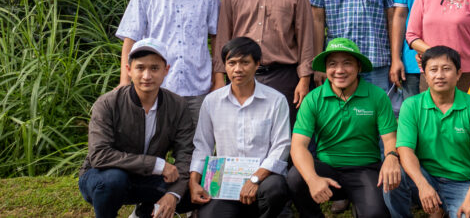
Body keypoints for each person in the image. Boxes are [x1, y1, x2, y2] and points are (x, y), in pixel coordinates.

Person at [79, 38, 195, 218]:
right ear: (129, 70)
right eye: (140, 68)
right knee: (113, 180)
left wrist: (173, 195)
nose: (147, 76)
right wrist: (157, 165)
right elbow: (99, 155)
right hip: (102, 176)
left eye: (154, 68)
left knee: (191, 193)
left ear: (166, 70)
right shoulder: (108, 103)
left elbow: (185, 155)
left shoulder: (178, 106)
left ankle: (144, 211)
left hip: (145, 178)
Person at [287, 38, 401, 218]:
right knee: (296, 177)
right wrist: (312, 179)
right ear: (325, 68)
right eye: (332, 64)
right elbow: (298, 146)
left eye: (347, 63)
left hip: (365, 169)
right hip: (326, 169)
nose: (339, 70)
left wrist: (392, 157)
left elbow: (390, 139)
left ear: (359, 67)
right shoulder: (313, 99)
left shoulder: (377, 96)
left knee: (375, 214)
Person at [116, 0, 219, 126]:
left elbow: (217, 38)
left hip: (198, 89)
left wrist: (218, 80)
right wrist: (124, 81)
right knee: (155, 146)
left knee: (197, 147)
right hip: (157, 89)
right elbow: (130, 40)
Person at [216, 0, 314, 124]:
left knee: (282, 139)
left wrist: (304, 80)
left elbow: (306, 39)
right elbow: (223, 35)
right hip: (240, 75)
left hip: (283, 78)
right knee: (241, 134)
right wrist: (219, 78)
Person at [189, 37, 291, 218]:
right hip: (224, 183)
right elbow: (202, 145)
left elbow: (281, 146)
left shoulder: (276, 100)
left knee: (275, 189)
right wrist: (194, 181)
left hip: (263, 180)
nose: (238, 69)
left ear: (257, 64)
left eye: (245, 62)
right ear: (225, 66)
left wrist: (255, 179)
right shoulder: (212, 102)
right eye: (232, 63)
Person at [385, 46, 470, 218]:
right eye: (433, 70)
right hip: (424, 176)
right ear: (425, 76)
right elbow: (405, 150)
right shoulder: (412, 105)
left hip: (461, 182)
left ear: (458, 74)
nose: (440, 75)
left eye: (446, 69)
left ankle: (440, 209)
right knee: (393, 171)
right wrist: (423, 185)